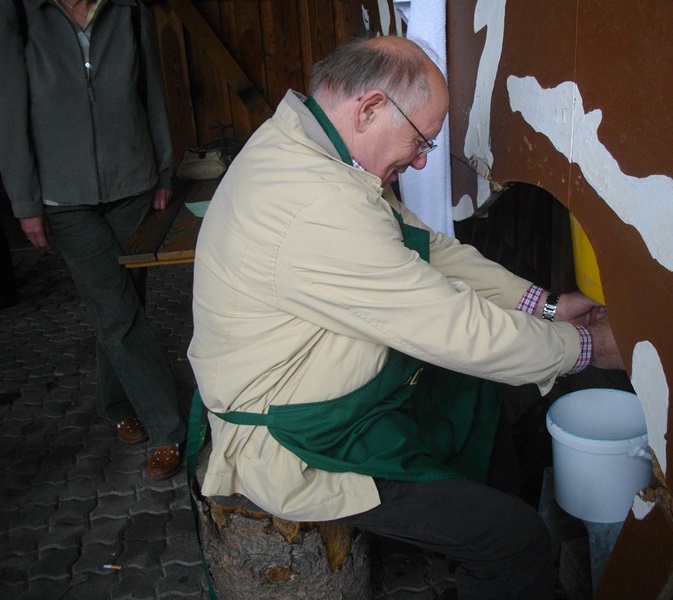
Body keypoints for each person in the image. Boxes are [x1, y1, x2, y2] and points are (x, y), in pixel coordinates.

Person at [188, 35, 624, 599]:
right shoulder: (317, 205)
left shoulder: (310, 147)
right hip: (293, 438)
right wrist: (588, 348)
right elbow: (454, 328)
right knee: (513, 541)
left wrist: (544, 305)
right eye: (421, 140)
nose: (421, 160)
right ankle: (498, 539)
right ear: (370, 109)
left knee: (476, 392)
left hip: (323, 391)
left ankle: (484, 512)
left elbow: (428, 248)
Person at [0, 0, 186, 479]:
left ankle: (117, 403)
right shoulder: (21, 14)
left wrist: (163, 170)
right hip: (64, 198)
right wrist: (25, 201)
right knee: (117, 312)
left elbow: (152, 94)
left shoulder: (127, 10)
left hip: (133, 185)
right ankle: (168, 429)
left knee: (123, 309)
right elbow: (10, 112)